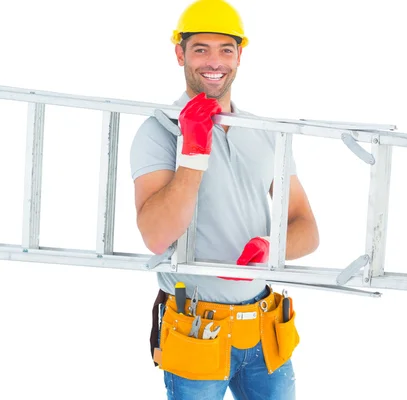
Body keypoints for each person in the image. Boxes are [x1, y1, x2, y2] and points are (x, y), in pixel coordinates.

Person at [130, 0, 319, 398]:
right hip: (196, 328)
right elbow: (155, 236)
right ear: (180, 53)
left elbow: (306, 227)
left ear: (240, 56)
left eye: (225, 49)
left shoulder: (264, 132)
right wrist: (193, 154)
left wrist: (270, 249)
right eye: (200, 49)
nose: (213, 61)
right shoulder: (159, 132)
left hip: (265, 327)